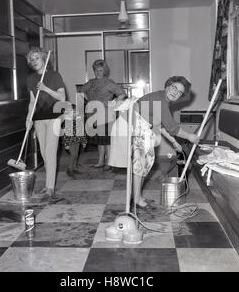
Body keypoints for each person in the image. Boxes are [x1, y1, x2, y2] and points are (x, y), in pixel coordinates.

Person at [112, 76, 199, 208]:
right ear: (168, 86)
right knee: (140, 164)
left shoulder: (162, 100)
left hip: (137, 124)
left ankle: (137, 197)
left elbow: (160, 125)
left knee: (146, 162)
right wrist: (189, 136)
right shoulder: (161, 100)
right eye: (174, 87)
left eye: (180, 92)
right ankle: (136, 198)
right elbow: (172, 128)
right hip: (129, 124)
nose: (175, 92)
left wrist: (174, 142)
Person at [26, 47, 66, 199]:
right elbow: (31, 102)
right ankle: (49, 185)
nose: (34, 61)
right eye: (32, 59)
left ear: (44, 59)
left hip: (54, 117)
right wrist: (28, 118)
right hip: (39, 118)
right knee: (44, 153)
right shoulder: (30, 79)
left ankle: (50, 187)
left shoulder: (54, 76)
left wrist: (45, 88)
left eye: (37, 58)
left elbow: (62, 98)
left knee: (50, 152)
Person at [79, 59, 126, 171]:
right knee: (100, 141)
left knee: (107, 141)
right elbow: (81, 91)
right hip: (94, 117)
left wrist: (112, 103)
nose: (98, 72)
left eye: (101, 70)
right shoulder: (90, 82)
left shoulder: (109, 83)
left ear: (105, 71)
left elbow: (122, 94)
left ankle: (108, 163)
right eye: (96, 70)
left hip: (106, 116)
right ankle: (100, 161)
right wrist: (88, 100)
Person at [62, 104, 87, 179]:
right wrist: (66, 144)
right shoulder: (67, 122)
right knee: (73, 155)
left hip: (77, 141)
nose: (75, 114)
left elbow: (82, 131)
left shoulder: (79, 121)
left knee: (76, 155)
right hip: (70, 142)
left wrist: (84, 141)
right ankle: (69, 169)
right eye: (73, 112)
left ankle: (74, 168)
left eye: (76, 112)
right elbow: (65, 135)